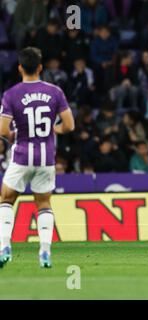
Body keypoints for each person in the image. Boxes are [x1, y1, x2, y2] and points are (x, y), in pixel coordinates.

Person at [0, 47, 75, 268]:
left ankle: (5, 246)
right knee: (43, 203)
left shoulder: (11, 94)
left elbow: (3, 130)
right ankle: (44, 252)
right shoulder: (55, 92)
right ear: (41, 67)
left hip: (21, 156)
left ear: (20, 68)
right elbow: (69, 125)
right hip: (46, 159)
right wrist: (54, 130)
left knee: (6, 199)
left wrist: (14, 136)